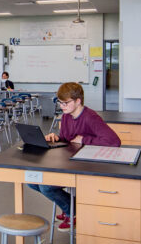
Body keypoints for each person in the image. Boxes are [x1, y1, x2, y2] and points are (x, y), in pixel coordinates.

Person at [30, 82, 121, 231]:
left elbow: (114, 141)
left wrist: (84, 140)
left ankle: (72, 211)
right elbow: (68, 139)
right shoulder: (66, 117)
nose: (62, 106)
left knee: (46, 187)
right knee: (31, 181)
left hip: (86, 165)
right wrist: (57, 138)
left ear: (78, 101)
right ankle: (71, 206)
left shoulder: (91, 117)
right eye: (60, 102)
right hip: (70, 162)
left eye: (65, 103)